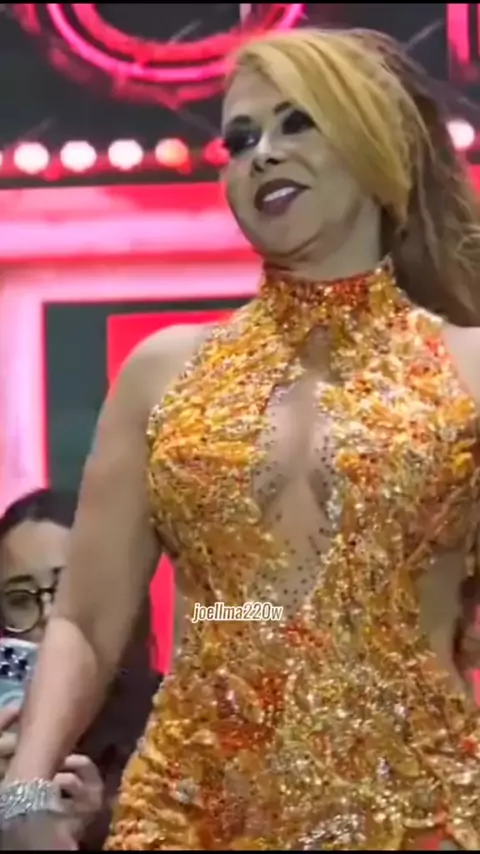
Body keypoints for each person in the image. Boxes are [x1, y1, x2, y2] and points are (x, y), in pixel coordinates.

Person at [2, 26, 480, 851]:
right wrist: (22, 796)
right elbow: (84, 619)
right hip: (188, 821)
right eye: (240, 139)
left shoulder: (468, 369)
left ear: (380, 144)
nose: (262, 155)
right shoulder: (165, 373)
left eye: (297, 123)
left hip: (416, 819)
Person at [0, 489, 159, 849]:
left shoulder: (183, 725)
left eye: (68, 590)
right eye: (20, 599)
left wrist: (102, 827)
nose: (50, 616)